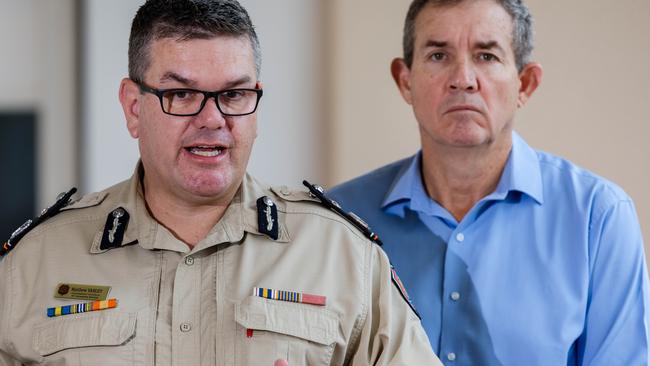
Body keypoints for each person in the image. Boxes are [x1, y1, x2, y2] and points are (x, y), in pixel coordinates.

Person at [0, 1, 442, 365]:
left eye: (233, 95)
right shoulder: (34, 263)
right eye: (182, 95)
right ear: (134, 107)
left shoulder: (342, 255)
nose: (212, 120)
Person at [329, 0, 650, 365]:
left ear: (524, 84)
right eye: (438, 55)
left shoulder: (598, 217)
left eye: (486, 56)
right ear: (405, 81)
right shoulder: (341, 220)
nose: (463, 78)